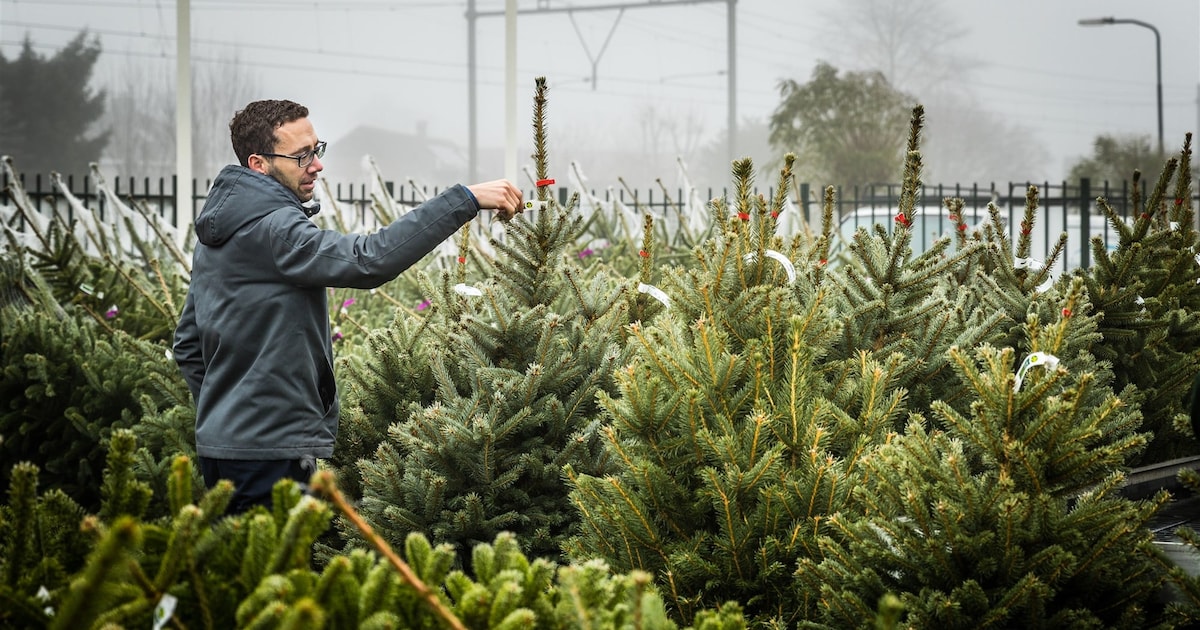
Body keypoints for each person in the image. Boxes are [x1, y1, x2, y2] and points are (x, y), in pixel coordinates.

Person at [172, 99, 522, 514]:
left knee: (240, 576)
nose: (316, 165)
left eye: (316, 150)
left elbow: (187, 345)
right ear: (258, 164)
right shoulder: (273, 229)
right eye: (301, 156)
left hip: (227, 449)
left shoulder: (223, 230)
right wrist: (464, 200)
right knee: (279, 575)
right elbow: (368, 260)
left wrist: (229, 412)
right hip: (268, 454)